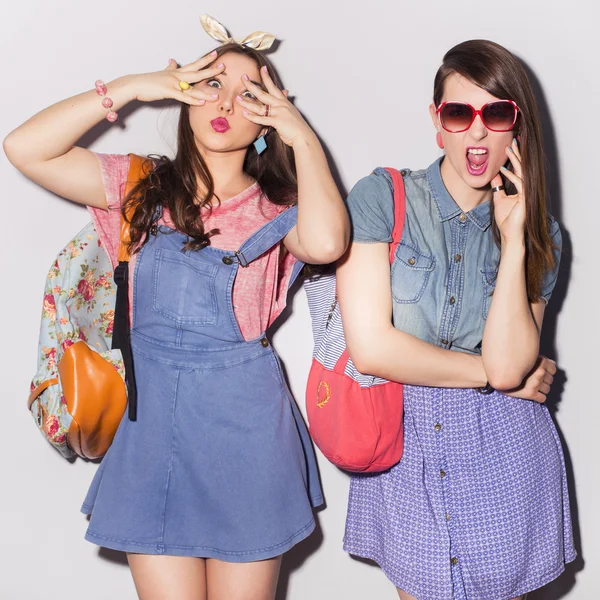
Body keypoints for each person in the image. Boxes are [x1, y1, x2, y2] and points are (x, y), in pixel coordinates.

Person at [3, 16, 349, 600]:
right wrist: (135, 86)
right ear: (186, 97)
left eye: (249, 95)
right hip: (151, 423)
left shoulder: (278, 208)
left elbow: (327, 243)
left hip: (247, 432)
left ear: (266, 117)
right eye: (212, 83)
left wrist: (301, 135)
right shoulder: (140, 186)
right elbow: (23, 147)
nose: (226, 102)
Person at [337, 39, 575, 600]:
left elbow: (512, 363)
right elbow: (371, 348)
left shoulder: (541, 234)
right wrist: (491, 374)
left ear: (516, 127)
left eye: (496, 113)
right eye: (458, 113)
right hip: (407, 442)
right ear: (436, 121)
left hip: (506, 451)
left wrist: (515, 239)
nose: (476, 131)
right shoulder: (382, 198)